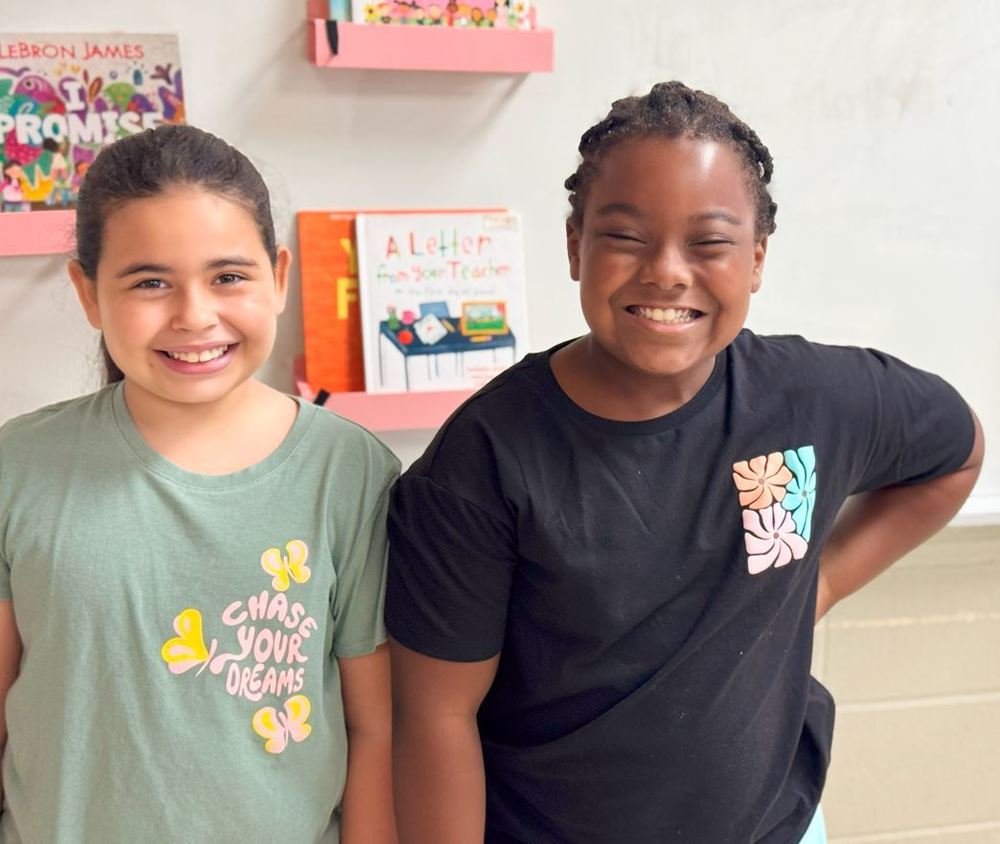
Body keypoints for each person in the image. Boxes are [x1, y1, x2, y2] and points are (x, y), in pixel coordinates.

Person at [385, 81, 984, 843]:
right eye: (626, 236)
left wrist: (822, 584)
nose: (667, 272)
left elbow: (956, 455)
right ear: (575, 247)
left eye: (709, 243)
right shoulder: (484, 461)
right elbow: (436, 717)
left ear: (756, 259)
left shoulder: (812, 400)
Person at [0, 125, 398, 843]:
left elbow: (374, 729)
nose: (194, 315)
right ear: (88, 293)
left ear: (279, 278)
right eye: (150, 282)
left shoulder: (351, 472)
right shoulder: (18, 467)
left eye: (228, 277)